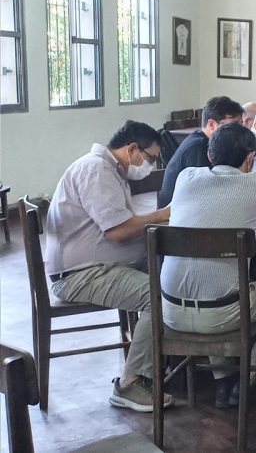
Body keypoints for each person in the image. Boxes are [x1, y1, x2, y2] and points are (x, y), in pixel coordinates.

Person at [160, 122, 256, 408]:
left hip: (169, 311)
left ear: (210, 155)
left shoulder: (186, 177)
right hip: (222, 314)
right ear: (251, 158)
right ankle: (247, 378)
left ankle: (222, 380)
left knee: (212, 282)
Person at [44, 121, 172, 412]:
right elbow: (118, 230)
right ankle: (131, 383)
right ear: (132, 149)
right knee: (158, 295)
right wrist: (163, 214)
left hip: (94, 264)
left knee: (169, 274)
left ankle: (162, 358)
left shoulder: (109, 169)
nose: (151, 165)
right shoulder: (96, 170)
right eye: (151, 158)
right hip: (81, 274)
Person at [159, 96, 245, 207]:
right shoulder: (197, 147)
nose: (240, 130)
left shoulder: (211, 143)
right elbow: (204, 191)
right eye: (234, 125)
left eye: (241, 124)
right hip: (177, 213)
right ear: (212, 124)